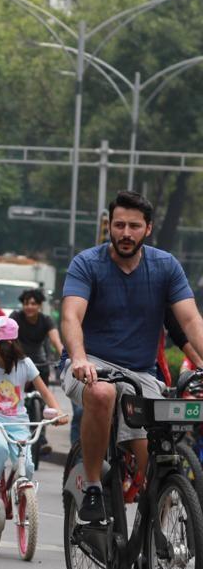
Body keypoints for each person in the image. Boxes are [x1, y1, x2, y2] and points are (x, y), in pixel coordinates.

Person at [61, 190, 203, 524]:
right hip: (91, 365)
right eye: (119, 224)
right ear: (109, 226)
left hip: (141, 374)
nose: (126, 233)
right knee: (102, 392)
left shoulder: (166, 266)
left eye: (134, 226)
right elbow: (70, 317)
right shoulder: (87, 263)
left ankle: (154, 536)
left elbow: (190, 320)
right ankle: (93, 486)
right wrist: (79, 358)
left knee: (155, 459)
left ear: (148, 229)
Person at [0, 317, 67, 516]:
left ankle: (20, 496)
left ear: (7, 343)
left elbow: (45, 393)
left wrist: (59, 411)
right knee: (0, 448)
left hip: (19, 422)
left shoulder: (25, 364)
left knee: (27, 466)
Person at [10, 287, 64, 454]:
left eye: (33, 303)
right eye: (26, 303)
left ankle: (41, 438)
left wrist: (65, 358)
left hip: (39, 364)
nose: (29, 307)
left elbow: (56, 341)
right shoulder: (15, 317)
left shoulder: (46, 320)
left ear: (40, 305)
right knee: (12, 399)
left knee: (43, 401)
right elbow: (8, 337)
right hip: (18, 362)